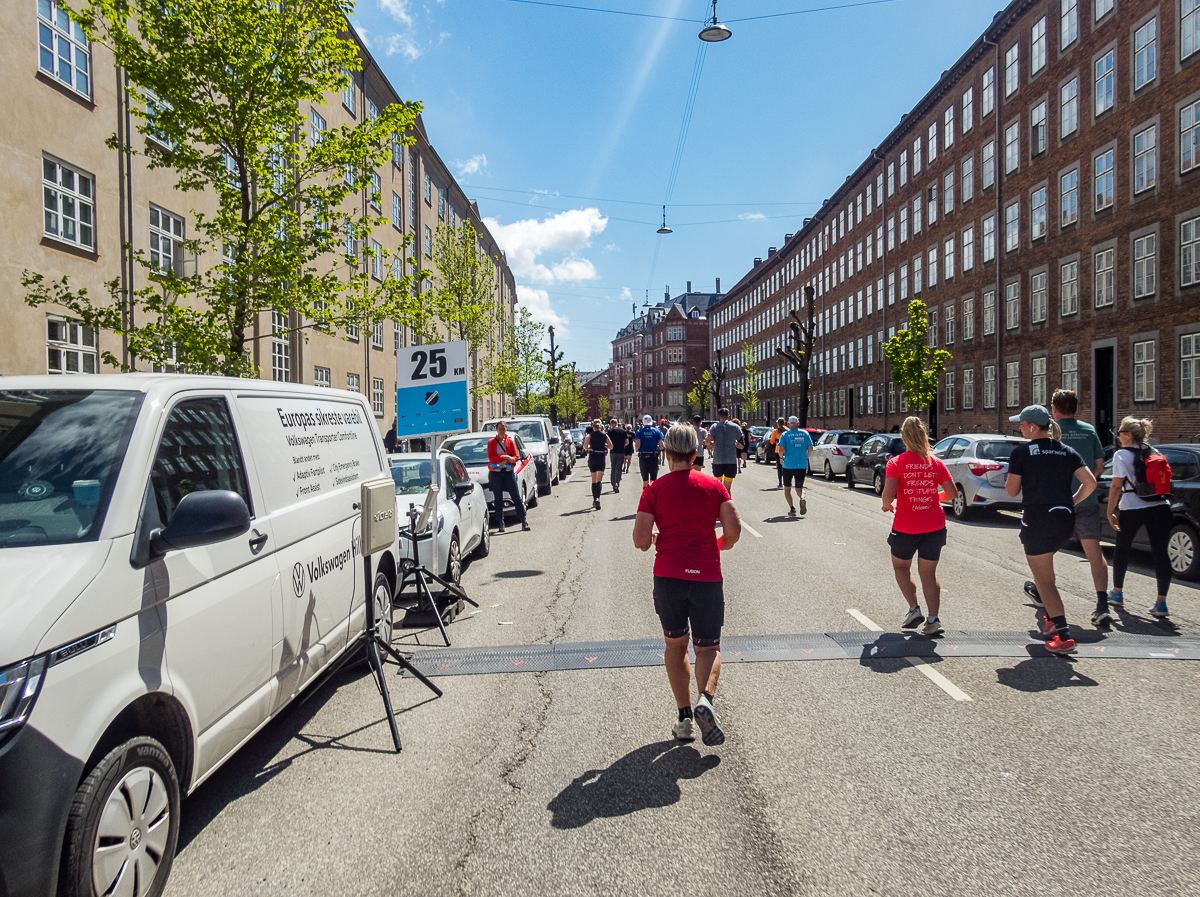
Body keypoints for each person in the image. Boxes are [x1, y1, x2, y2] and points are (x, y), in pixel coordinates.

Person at [632, 424, 741, 746]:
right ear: (696, 454)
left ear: (666, 454)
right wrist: (715, 546)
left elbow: (640, 540)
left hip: (668, 578)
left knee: (676, 645)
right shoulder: (715, 487)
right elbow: (733, 532)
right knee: (708, 647)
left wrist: (653, 538)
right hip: (706, 576)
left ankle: (683, 720)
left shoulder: (653, 490)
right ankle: (705, 700)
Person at [1005, 404, 1097, 655]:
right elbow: (1090, 483)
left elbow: (1011, 491)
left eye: (1022, 425)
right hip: (1065, 520)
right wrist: (1072, 501)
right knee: (1046, 575)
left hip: (1037, 520)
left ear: (1033, 427)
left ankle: (1064, 636)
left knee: (1045, 582)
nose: (1020, 428)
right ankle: (1050, 617)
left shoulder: (1022, 453)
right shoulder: (1067, 451)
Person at [1024, 390, 1111, 626]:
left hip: (1053, 504)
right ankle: (1102, 604)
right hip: (1086, 500)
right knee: (1094, 552)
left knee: (1042, 552)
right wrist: (1080, 492)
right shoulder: (1089, 430)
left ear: (1054, 409)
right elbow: (1099, 467)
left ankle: (1044, 596)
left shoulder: (1050, 433)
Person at [881, 417, 957, 636]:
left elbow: (888, 494)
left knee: (901, 567)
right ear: (924, 437)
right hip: (934, 525)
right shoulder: (936, 462)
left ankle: (914, 609)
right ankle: (933, 620)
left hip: (906, 526)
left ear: (904, 437)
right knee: (929, 573)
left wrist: (887, 506)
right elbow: (951, 494)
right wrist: (932, 497)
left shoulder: (896, 463)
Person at [1107, 416, 1173, 618]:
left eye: (1119, 433)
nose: (1117, 436)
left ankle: (1117, 593)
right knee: (1161, 553)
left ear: (1128, 436)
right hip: (1161, 506)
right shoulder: (1155, 452)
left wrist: (1110, 511)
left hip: (1133, 507)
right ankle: (1161, 603)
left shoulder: (1121, 455)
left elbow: (1117, 486)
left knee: (1123, 549)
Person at [486, 421, 530, 532]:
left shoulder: (510, 442)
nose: (502, 430)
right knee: (498, 499)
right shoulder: (491, 442)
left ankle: (523, 521)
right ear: (496, 429)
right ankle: (501, 523)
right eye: (500, 428)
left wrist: (508, 459)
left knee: (516, 497)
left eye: (504, 428)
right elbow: (491, 457)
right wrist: (505, 457)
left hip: (508, 473)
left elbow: (515, 456)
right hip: (496, 474)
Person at [777, 416, 814, 517]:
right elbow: (811, 448)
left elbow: (781, 450)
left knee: (787, 488)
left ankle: (792, 508)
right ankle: (802, 498)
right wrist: (806, 457)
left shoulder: (785, 435)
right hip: (801, 465)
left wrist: (781, 458)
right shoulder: (805, 434)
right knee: (799, 488)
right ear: (798, 423)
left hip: (788, 465)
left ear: (788, 424)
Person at [704, 407, 744, 493]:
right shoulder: (735, 427)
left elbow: (707, 441)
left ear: (718, 416)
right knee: (727, 489)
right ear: (728, 416)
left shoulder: (714, 427)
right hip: (731, 461)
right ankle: (727, 505)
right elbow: (742, 445)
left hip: (718, 461)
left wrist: (711, 444)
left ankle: (718, 506)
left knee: (718, 488)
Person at [586, 419, 613, 510]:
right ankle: (598, 498)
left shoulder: (589, 435)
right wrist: (604, 445)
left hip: (593, 458)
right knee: (599, 481)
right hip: (601, 458)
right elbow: (611, 446)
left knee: (593, 481)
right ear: (601, 426)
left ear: (593, 427)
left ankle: (595, 499)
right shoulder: (604, 435)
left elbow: (585, 446)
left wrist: (590, 446)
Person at [634, 414, 665, 490]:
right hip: (653, 457)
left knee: (645, 480)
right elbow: (662, 446)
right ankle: (653, 497)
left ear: (643, 423)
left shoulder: (639, 431)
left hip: (643, 457)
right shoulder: (657, 431)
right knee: (653, 480)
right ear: (651, 422)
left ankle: (645, 495)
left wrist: (638, 448)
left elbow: (637, 447)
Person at [606, 419, 629, 493]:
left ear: (611, 424)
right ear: (617, 424)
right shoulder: (623, 431)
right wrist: (622, 445)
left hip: (613, 451)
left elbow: (607, 442)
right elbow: (627, 442)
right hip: (621, 451)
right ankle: (617, 482)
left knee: (613, 467)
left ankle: (613, 483)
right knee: (619, 468)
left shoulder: (610, 432)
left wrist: (609, 447)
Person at [767, 417, 786, 487]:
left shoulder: (775, 431)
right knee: (786, 467)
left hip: (778, 450)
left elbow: (772, 441)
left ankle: (780, 483)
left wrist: (776, 441)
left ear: (778, 423)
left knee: (779, 467)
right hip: (787, 450)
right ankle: (787, 482)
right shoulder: (787, 431)